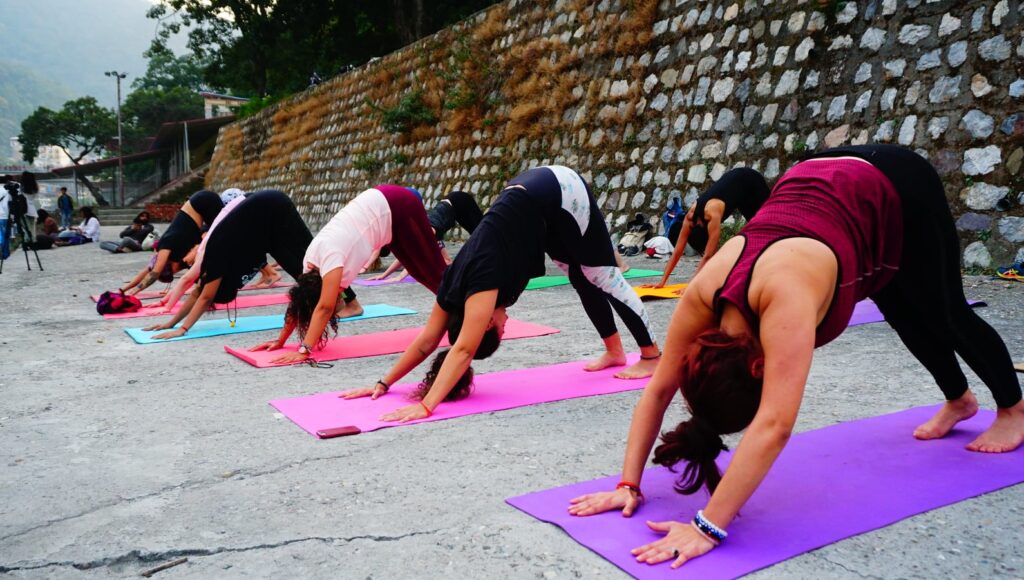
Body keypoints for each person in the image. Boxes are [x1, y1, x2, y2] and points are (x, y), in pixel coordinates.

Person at [565, 145, 1024, 569]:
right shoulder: (701, 300)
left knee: (945, 311)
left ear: (758, 367)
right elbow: (659, 389)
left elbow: (775, 425)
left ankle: (1013, 408)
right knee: (902, 309)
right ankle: (960, 399)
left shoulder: (785, 303)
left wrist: (707, 526)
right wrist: (627, 484)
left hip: (895, 184)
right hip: (821, 188)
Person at [340, 165, 662, 420]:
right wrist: (384, 383)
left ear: (487, 324)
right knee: (578, 275)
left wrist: (426, 406)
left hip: (559, 190)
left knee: (600, 275)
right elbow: (427, 341)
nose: (506, 324)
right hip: (536, 204)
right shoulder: (451, 288)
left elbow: (464, 348)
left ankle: (651, 356)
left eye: (500, 329)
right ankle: (615, 351)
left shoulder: (482, 284)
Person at [249, 185, 450, 364]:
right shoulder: (310, 267)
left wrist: (304, 351)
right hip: (384, 211)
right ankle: (457, 312)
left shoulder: (331, 260)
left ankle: (471, 312)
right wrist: (280, 340)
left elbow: (324, 307)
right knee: (418, 271)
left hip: (395, 204)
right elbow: (298, 302)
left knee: (434, 272)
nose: (336, 312)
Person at [145, 190, 313, 339]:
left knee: (309, 255)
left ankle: (335, 302)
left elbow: (205, 297)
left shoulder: (214, 261)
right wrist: (171, 323)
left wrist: (181, 328)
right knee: (303, 269)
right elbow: (199, 293)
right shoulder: (220, 269)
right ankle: (331, 299)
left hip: (271, 206)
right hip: (265, 221)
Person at [645, 168, 769, 288]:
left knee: (769, 224)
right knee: (757, 226)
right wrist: (662, 282)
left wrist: (691, 286)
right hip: (739, 191)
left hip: (751, 181)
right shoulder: (689, 218)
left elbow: (708, 255)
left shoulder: (712, 214)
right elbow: (677, 251)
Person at [123, 190, 223, 296]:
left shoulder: (164, 247)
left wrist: (133, 291)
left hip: (202, 201)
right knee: (221, 238)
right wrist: (123, 290)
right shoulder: (179, 260)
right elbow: (149, 271)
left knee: (225, 236)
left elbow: (153, 273)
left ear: (168, 265)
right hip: (202, 213)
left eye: (171, 272)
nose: (175, 272)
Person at [368, 190, 484, 281]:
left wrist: (400, 277)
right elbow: (405, 258)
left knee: (483, 234)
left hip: (458, 201)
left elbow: (413, 257)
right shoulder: (412, 236)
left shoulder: (422, 233)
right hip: (454, 205)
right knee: (481, 235)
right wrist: (384, 275)